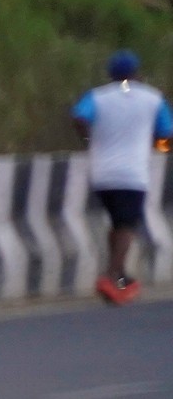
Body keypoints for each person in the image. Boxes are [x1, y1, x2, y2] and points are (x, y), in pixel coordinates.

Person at [72, 48, 171, 304]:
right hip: (133, 174)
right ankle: (111, 275)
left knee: (118, 221)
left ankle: (120, 275)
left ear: (110, 73)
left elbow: (79, 116)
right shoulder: (152, 98)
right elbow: (166, 132)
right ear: (137, 72)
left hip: (102, 173)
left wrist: (89, 139)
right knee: (127, 225)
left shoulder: (97, 96)